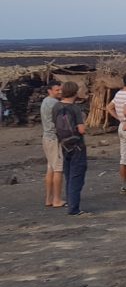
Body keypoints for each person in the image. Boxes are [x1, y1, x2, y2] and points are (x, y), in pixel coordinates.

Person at [54, 81, 89, 216]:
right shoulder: (75, 109)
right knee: (77, 176)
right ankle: (74, 208)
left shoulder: (56, 107)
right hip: (77, 145)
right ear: (75, 92)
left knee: (69, 174)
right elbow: (81, 129)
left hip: (64, 144)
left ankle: (71, 203)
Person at [40, 80, 65, 208]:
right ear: (50, 90)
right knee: (58, 169)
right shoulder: (56, 104)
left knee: (50, 168)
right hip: (54, 139)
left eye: (60, 89)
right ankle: (57, 199)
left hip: (46, 137)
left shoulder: (45, 102)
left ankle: (49, 198)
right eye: (57, 90)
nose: (60, 92)